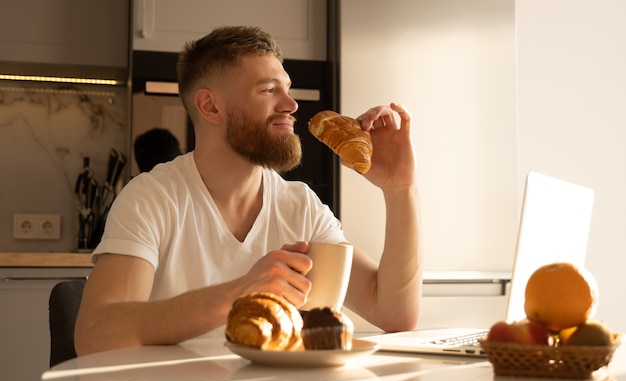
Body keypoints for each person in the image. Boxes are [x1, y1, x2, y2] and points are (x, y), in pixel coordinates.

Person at [74, 26, 422, 355]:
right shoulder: (151, 198)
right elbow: (96, 333)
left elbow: (394, 313)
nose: (291, 104)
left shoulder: (300, 206)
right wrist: (240, 293)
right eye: (269, 90)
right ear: (211, 106)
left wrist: (400, 188)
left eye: (287, 89)